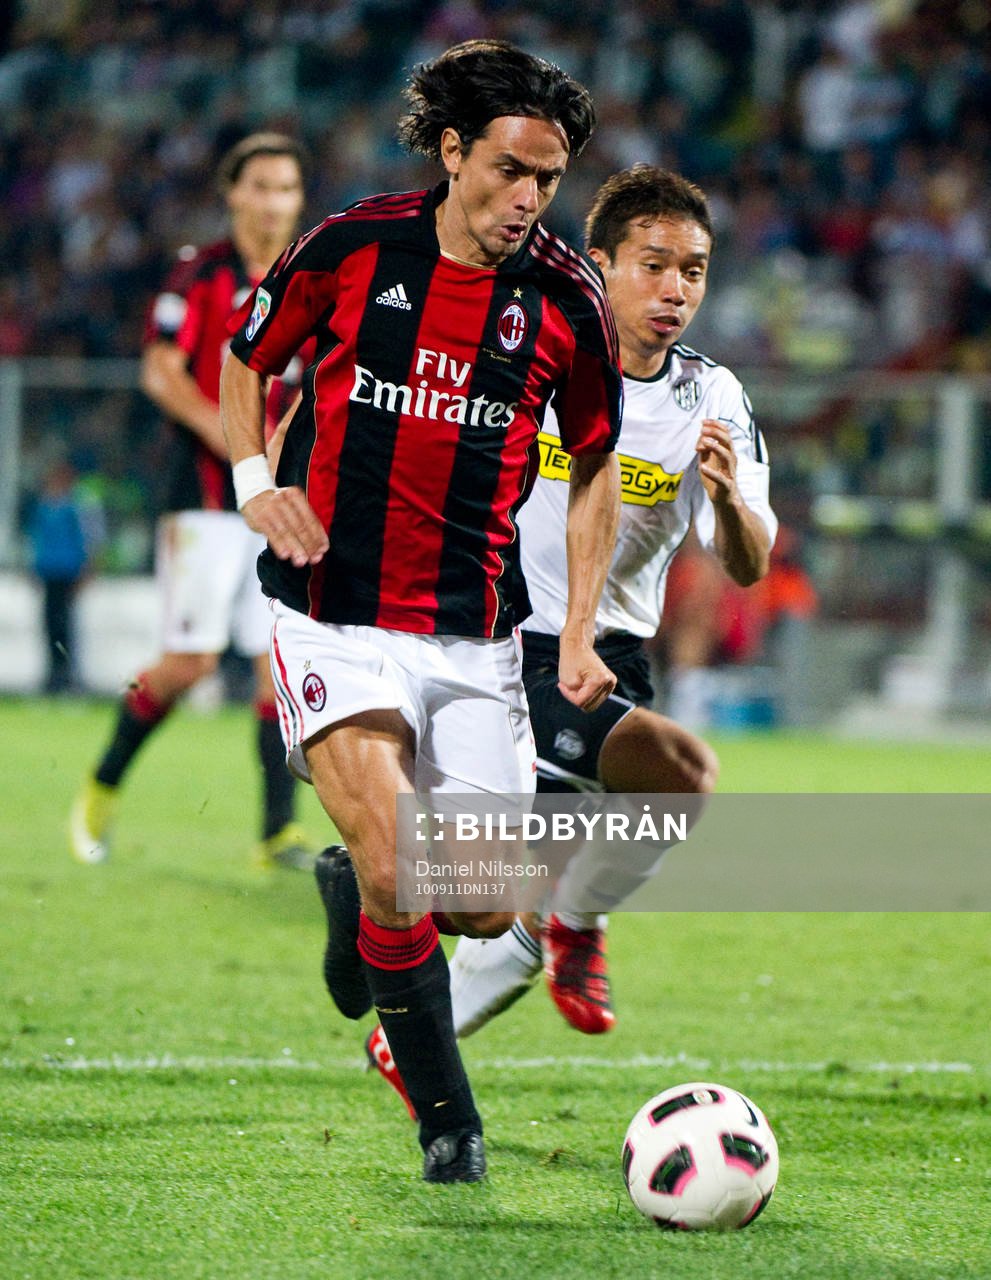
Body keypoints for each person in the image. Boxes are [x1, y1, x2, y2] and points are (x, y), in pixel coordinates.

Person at [219, 39, 622, 1182]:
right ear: (453, 153)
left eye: (549, 179)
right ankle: (450, 1119)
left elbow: (594, 460)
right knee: (404, 860)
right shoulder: (352, 247)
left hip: (472, 633)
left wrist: (579, 627)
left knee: (488, 908)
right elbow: (247, 357)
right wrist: (258, 486)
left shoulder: (562, 300)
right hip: (331, 611)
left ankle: (351, 892)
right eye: (510, 170)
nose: (529, 199)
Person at [365, 165, 779, 1117]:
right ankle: (573, 929)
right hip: (504, 641)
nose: (674, 289)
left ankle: (403, 1030)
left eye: (693, 271)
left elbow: (749, 562)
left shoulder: (710, 399)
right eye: (653, 265)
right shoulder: (529, 353)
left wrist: (723, 500)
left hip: (610, 660)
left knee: (508, 895)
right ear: (598, 265)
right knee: (681, 776)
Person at [69, 133, 315, 870]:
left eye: (286, 189)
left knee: (278, 664)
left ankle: (276, 834)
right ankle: (99, 788)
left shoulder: (311, 277)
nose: (274, 202)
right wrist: (239, 442)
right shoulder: (198, 272)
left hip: (278, 499)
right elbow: (160, 372)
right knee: (190, 664)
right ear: (234, 194)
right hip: (205, 499)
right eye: (261, 186)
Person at [27, 459, 93, 694]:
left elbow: (86, 540)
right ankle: (53, 673)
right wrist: (34, 568)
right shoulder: (43, 507)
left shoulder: (74, 507)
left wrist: (86, 570)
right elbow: (36, 540)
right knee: (49, 624)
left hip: (67, 571)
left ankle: (66, 673)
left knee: (65, 624)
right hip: (48, 571)